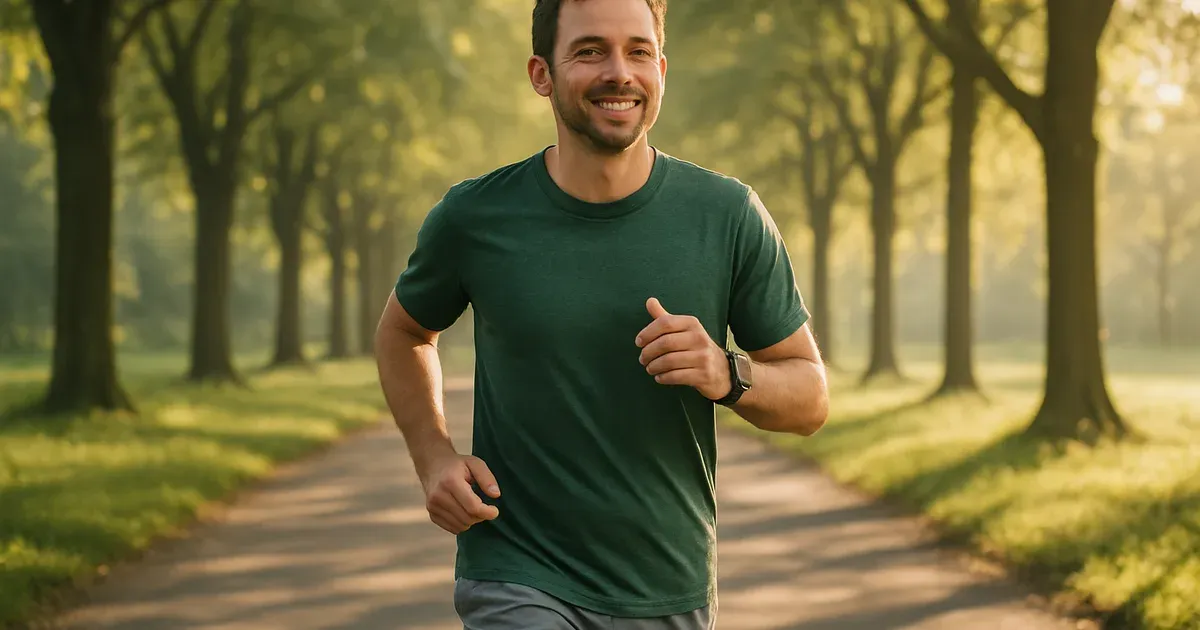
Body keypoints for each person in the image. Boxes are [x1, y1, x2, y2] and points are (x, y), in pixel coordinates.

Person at [374, 0, 829, 627]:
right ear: (541, 74)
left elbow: (810, 399)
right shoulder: (474, 217)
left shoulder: (727, 216)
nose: (620, 72)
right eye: (590, 51)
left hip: (667, 586)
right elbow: (404, 331)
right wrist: (433, 457)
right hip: (517, 571)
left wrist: (727, 374)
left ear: (662, 70)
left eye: (638, 51)